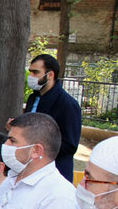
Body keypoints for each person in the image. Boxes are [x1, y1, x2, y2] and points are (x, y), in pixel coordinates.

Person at [23, 54, 81, 182]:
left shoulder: (67, 104)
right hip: (31, 168)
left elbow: (70, 145)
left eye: (35, 72)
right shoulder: (33, 98)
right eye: (30, 72)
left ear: (50, 75)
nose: (31, 76)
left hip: (55, 172)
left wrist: (40, 147)